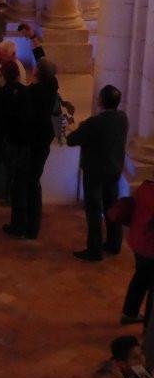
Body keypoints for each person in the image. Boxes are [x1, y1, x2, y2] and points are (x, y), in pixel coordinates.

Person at [68, 84, 130, 261]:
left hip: (95, 171)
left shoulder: (94, 122)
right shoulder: (123, 118)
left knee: (94, 210)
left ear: (102, 100)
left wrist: (81, 127)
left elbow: (72, 140)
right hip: (114, 169)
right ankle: (114, 243)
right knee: (112, 207)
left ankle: (94, 250)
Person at [0, 61, 33, 236]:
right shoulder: (27, 92)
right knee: (20, 180)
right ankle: (16, 211)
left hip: (6, 140)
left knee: (5, 170)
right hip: (23, 142)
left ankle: (4, 195)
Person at [21, 57, 59, 238]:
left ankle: (29, 226)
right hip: (44, 141)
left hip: (32, 141)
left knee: (29, 182)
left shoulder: (32, 93)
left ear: (37, 73)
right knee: (33, 182)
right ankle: (32, 224)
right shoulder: (52, 87)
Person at [111, 180, 154, 326]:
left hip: (138, 241)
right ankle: (149, 331)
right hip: (150, 247)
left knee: (140, 278)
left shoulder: (145, 187)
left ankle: (129, 313)